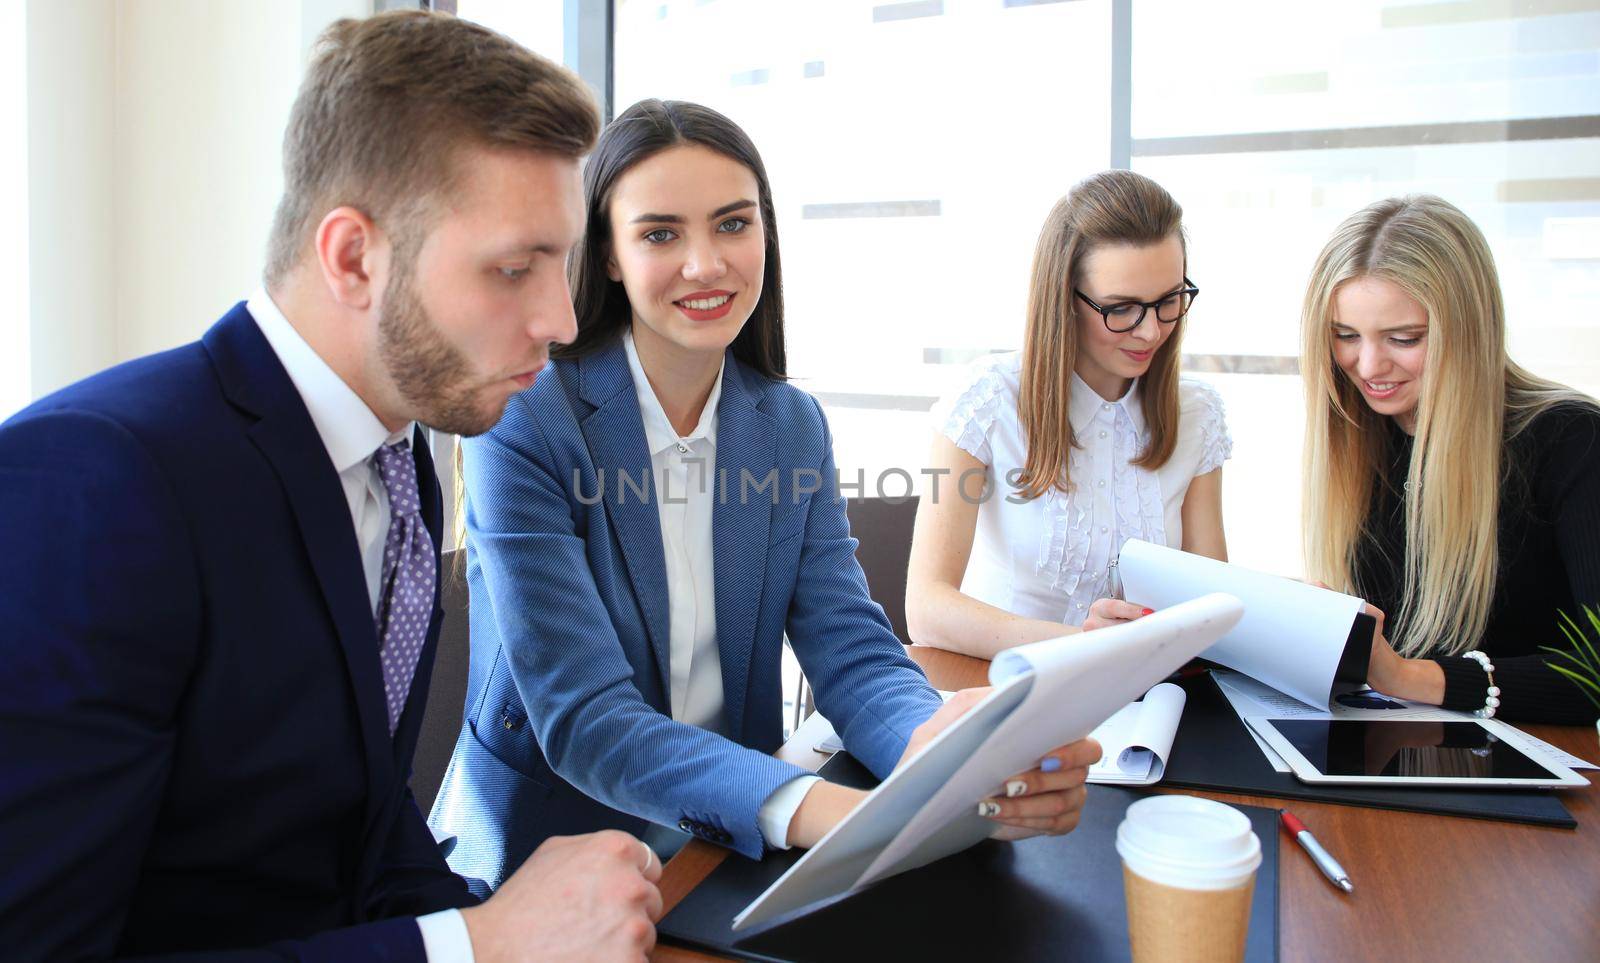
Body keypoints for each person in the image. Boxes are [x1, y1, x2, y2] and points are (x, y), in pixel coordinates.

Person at [0, 12, 662, 961]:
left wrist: (511, 922)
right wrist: (478, 942)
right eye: (514, 269)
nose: (561, 319)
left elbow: (351, 827)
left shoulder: (402, 457)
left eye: (560, 265)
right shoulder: (97, 482)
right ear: (353, 256)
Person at [429, 99, 1098, 889]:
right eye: (660, 233)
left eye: (733, 224)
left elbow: (850, 648)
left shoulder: (788, 424)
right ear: (607, 252)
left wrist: (942, 758)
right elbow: (589, 720)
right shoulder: (526, 419)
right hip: (547, 856)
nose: (707, 263)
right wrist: (850, 819)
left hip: (733, 839)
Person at [904, 170, 1231, 659]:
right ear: (1065, 300)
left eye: (1168, 301)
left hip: (1142, 693)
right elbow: (926, 608)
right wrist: (1082, 644)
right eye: (1121, 309)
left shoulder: (1196, 412)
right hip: (1004, 688)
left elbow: (1211, 600)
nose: (1150, 332)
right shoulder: (988, 399)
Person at [1301, 194, 1600, 725]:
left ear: (1467, 329)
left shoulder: (1574, 440)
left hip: (1532, 768)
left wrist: (1407, 676)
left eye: (1404, 338)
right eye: (1345, 336)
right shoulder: (1361, 437)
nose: (1368, 365)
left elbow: (1593, 671)